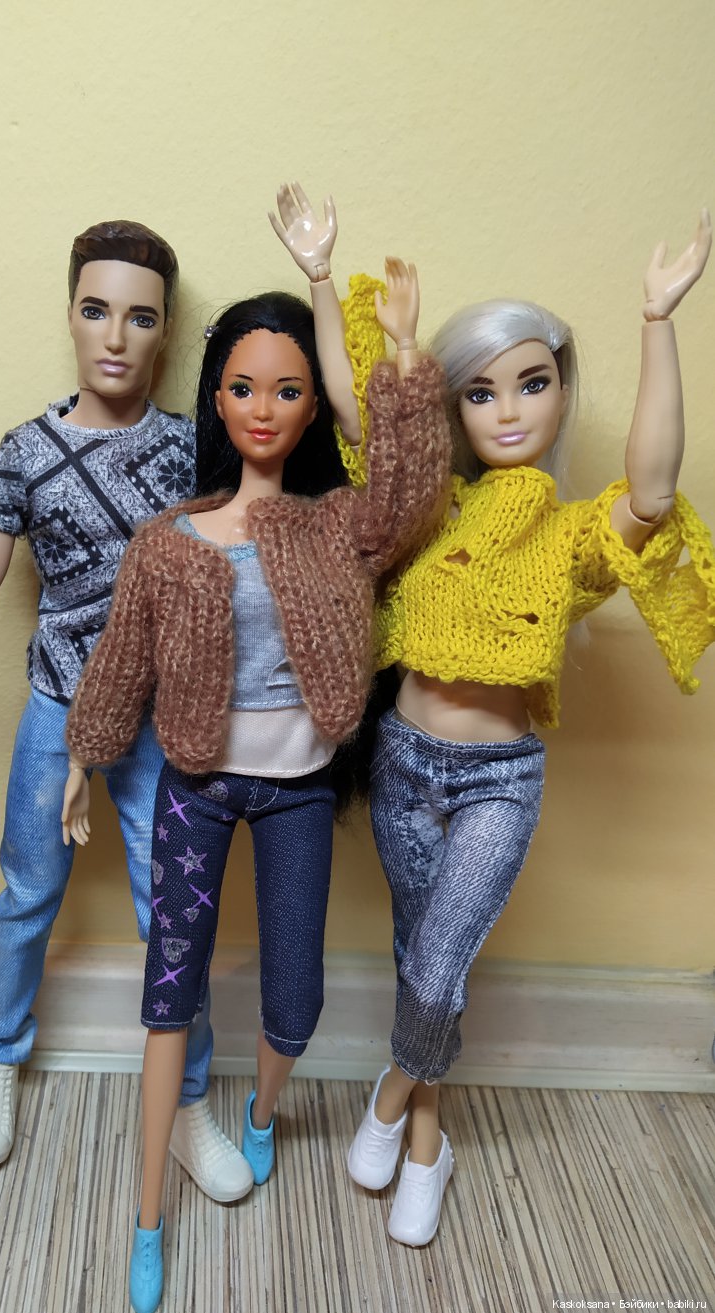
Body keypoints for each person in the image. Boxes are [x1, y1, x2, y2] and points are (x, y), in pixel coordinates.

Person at [273, 186, 714, 1248]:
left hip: (498, 781)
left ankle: (392, 1097)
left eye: (533, 382)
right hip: (404, 759)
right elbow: (358, 416)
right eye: (481, 390)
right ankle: (431, 1140)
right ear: (457, 407)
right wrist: (321, 277)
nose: (508, 410)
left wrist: (656, 321)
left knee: (436, 963)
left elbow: (652, 492)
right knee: (423, 953)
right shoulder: (431, 505)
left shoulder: (572, 535)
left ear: (561, 391)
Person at [61, 265, 452, 1312]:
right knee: (168, 993)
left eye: (286, 390)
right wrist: (82, 760)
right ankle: (147, 1216)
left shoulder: (335, 527)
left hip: (297, 791)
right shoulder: (168, 543)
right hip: (195, 784)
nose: (263, 409)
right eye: (242, 388)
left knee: (295, 997)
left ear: (312, 405)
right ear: (216, 400)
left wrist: (399, 353)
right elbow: (119, 664)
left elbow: (413, 496)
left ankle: (266, 1112)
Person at [0, 220, 251, 1202]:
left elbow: (250, 563)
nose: (115, 336)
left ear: (166, 332)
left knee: (176, 913)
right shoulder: (24, 454)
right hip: (56, 705)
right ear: (71, 315)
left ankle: (188, 1097)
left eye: (140, 317)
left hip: (162, 718)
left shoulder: (195, 449)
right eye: (95, 310)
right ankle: (0, 1057)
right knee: (27, 893)